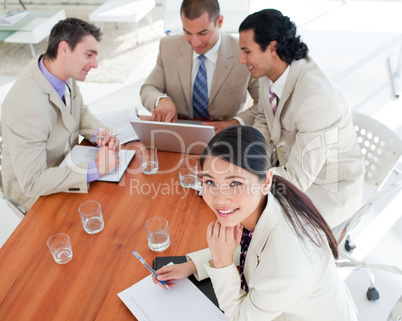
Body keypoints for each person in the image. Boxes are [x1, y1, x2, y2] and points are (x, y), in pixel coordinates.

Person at [153, 126, 358, 321]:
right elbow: (249, 245)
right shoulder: (265, 195)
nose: (219, 199)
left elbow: (240, 318)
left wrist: (222, 261)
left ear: (266, 181)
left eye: (235, 183)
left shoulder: (286, 266)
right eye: (210, 182)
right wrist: (193, 266)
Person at [238, 9, 364, 229]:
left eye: (247, 51)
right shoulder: (267, 71)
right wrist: (251, 164)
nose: (242, 59)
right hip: (288, 170)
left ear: (273, 48)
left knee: (254, 224)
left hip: (325, 190)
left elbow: (297, 179)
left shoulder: (317, 100)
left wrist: (240, 179)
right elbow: (263, 120)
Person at [1, 18, 120, 212]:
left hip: (66, 163)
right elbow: (32, 182)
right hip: (36, 191)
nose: (95, 64)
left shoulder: (60, 71)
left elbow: (79, 110)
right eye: (89, 55)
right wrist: (93, 168)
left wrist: (100, 134)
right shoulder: (25, 106)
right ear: (64, 49)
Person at [140, 0, 259, 133]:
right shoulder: (168, 47)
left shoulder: (243, 52)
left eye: (203, 33)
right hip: (179, 131)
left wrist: (236, 122)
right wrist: (161, 100)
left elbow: (263, 103)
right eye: (187, 32)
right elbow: (149, 88)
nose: (195, 42)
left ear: (219, 22)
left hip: (226, 134)